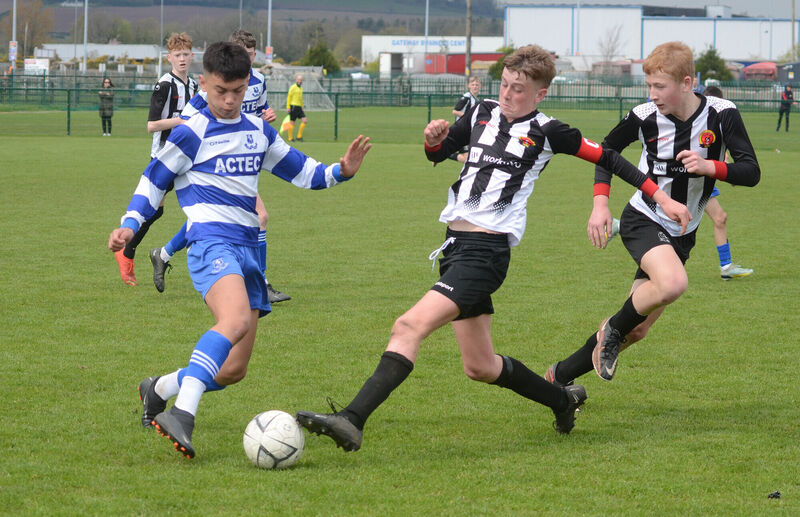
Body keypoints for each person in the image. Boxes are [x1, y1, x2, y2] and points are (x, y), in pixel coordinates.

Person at [295, 45, 691, 452]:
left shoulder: (550, 130)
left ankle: (351, 419)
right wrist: (434, 140)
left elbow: (610, 157)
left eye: (518, 89)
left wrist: (662, 200)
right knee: (480, 367)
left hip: (485, 254)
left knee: (408, 326)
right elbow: (442, 153)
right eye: (503, 84)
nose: (507, 94)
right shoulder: (481, 111)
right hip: (455, 247)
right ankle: (561, 399)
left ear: (539, 94)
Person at [108, 41, 371, 459]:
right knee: (231, 321)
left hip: (249, 251)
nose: (229, 101)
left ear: (247, 85)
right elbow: (154, 179)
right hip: (210, 243)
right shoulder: (190, 132)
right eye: (219, 92)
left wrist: (341, 171)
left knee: (233, 370)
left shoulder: (257, 131)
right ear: (206, 85)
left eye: (237, 91)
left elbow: (303, 172)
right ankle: (182, 415)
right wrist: (129, 224)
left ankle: (156, 389)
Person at [543, 41, 760, 388]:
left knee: (638, 329)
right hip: (643, 217)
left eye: (660, 86)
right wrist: (601, 204)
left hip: (683, 232)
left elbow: (751, 171)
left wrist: (711, 166)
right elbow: (605, 151)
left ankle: (560, 375)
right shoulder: (644, 116)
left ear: (687, 83)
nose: (652, 94)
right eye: (649, 86)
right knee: (672, 284)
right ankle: (611, 328)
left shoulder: (722, 113)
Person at [148, 29, 290, 303]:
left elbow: (260, 111)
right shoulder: (213, 85)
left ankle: (163, 254)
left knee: (206, 220)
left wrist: (267, 116)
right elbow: (190, 118)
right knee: (259, 217)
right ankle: (260, 283)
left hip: (245, 155)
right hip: (216, 159)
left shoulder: (258, 81)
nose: (247, 62)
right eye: (243, 56)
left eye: (250, 56)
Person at [113, 32, 199, 286]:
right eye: (177, 55)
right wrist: (180, 121)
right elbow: (151, 125)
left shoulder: (193, 86)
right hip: (163, 156)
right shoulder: (164, 85)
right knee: (155, 209)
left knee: (164, 209)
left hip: (186, 156)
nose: (182, 59)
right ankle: (129, 252)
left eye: (186, 54)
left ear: (192, 56)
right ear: (169, 57)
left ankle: (133, 252)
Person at [701, 85, 753, 280]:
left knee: (720, 218)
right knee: (665, 219)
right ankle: (621, 226)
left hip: (705, 183)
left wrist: (730, 172)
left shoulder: (720, 124)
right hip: (690, 183)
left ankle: (726, 266)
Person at [449, 75, 482, 163]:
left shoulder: (476, 100)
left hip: (467, 132)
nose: (475, 86)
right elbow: (455, 111)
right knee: (466, 159)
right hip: (461, 130)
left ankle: (444, 154)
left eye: (477, 85)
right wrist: (468, 117)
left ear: (480, 86)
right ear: (469, 86)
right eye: (473, 84)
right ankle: (445, 155)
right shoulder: (467, 97)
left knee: (467, 158)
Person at [282, 74, 307, 142]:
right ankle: (290, 138)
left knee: (304, 121)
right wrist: (288, 107)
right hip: (293, 107)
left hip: (299, 107)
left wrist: (302, 106)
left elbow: (301, 99)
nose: (300, 81)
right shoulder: (293, 87)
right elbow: (289, 97)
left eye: (301, 80)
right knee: (292, 122)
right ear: (296, 80)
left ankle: (299, 136)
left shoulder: (301, 88)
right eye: (299, 79)